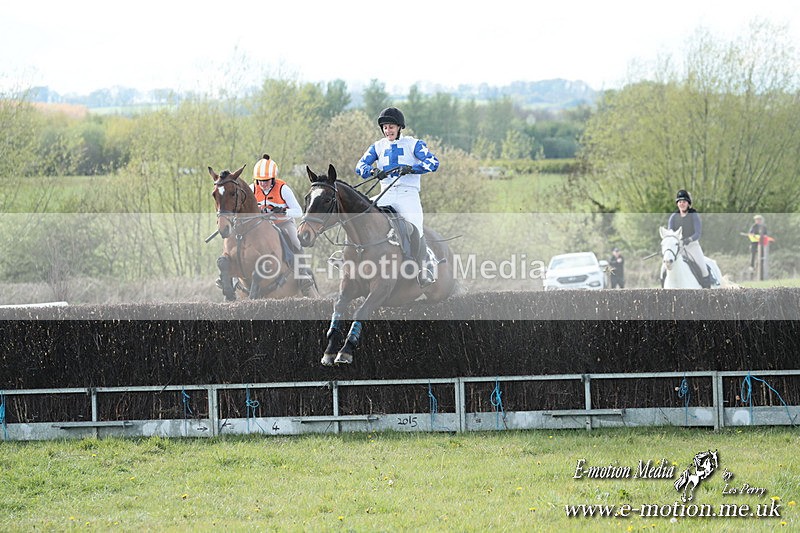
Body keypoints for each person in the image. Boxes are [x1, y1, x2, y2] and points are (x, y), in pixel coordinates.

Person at [355, 107, 440, 287]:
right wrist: (373, 170)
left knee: (415, 226)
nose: (388, 131)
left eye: (391, 127)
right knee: (360, 215)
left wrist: (412, 168)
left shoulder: (414, 144)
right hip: (386, 193)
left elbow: (433, 163)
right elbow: (360, 166)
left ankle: (425, 265)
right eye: (385, 127)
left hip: (407, 194)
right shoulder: (377, 146)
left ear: (399, 127)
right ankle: (350, 256)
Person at [251, 154, 315, 294]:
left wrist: (284, 211)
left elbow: (298, 212)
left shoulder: (283, 189)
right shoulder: (252, 189)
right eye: (260, 181)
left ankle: (303, 275)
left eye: (266, 180)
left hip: (283, 224)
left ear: (273, 178)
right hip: (262, 228)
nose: (263, 184)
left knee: (295, 242)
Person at [667, 189, 713, 288]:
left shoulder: (694, 215)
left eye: (684, 202)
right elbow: (670, 234)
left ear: (688, 203)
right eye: (679, 202)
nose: (682, 204)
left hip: (692, 246)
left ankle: (708, 292)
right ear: (677, 204)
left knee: (703, 269)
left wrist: (688, 240)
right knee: (664, 268)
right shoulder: (673, 217)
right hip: (678, 248)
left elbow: (698, 233)